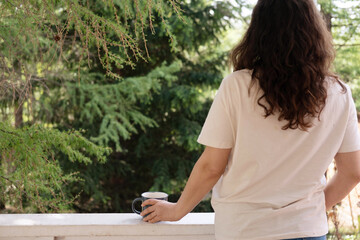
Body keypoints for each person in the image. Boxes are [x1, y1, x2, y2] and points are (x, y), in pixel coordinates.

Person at [139, 0, 360, 239]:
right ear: (315, 31)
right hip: (307, 231)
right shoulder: (339, 93)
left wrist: (176, 211)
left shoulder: (237, 86)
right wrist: (308, 212)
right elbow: (353, 172)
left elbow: (212, 166)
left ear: (259, 32)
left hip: (245, 229)